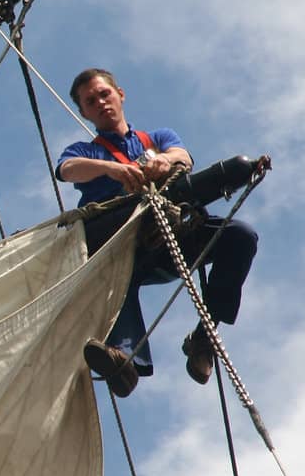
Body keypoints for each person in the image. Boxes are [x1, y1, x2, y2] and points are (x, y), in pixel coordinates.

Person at [56, 68, 258, 398]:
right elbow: (67, 170)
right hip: (124, 245)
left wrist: (164, 161)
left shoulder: (156, 138)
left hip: (173, 232)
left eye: (104, 94)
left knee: (240, 237)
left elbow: (182, 156)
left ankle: (204, 341)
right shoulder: (87, 151)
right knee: (116, 279)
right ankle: (125, 362)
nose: (101, 103)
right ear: (84, 113)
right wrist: (112, 169)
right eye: (91, 102)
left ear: (120, 94)